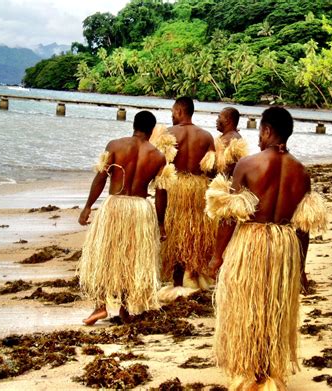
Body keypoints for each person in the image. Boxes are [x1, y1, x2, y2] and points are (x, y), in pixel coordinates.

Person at [205, 107, 327, 389]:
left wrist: (217, 255)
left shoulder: (247, 164)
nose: (258, 138)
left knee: (247, 307)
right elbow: (302, 228)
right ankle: (268, 371)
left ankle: (250, 372)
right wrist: (301, 268)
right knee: (273, 309)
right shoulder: (301, 172)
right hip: (284, 247)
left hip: (251, 242)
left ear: (268, 130)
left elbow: (228, 218)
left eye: (260, 131)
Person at [77, 110, 174, 325]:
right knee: (132, 258)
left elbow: (101, 178)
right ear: (152, 130)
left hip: (115, 206)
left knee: (105, 255)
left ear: (134, 125)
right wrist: (160, 223)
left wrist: (87, 207)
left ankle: (100, 306)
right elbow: (161, 193)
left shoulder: (114, 146)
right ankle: (124, 308)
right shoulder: (158, 157)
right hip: (140, 209)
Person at [161, 96, 217, 291]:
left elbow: (162, 166)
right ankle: (192, 275)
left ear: (179, 111)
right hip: (198, 188)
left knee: (176, 232)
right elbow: (211, 171)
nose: (171, 115)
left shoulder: (168, 134)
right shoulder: (206, 136)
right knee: (195, 233)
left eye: (172, 111)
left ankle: (177, 282)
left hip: (176, 188)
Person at [214, 107, 248, 176]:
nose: (217, 120)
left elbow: (227, 169)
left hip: (223, 183)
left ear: (227, 120)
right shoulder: (230, 136)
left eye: (219, 117)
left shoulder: (230, 139)